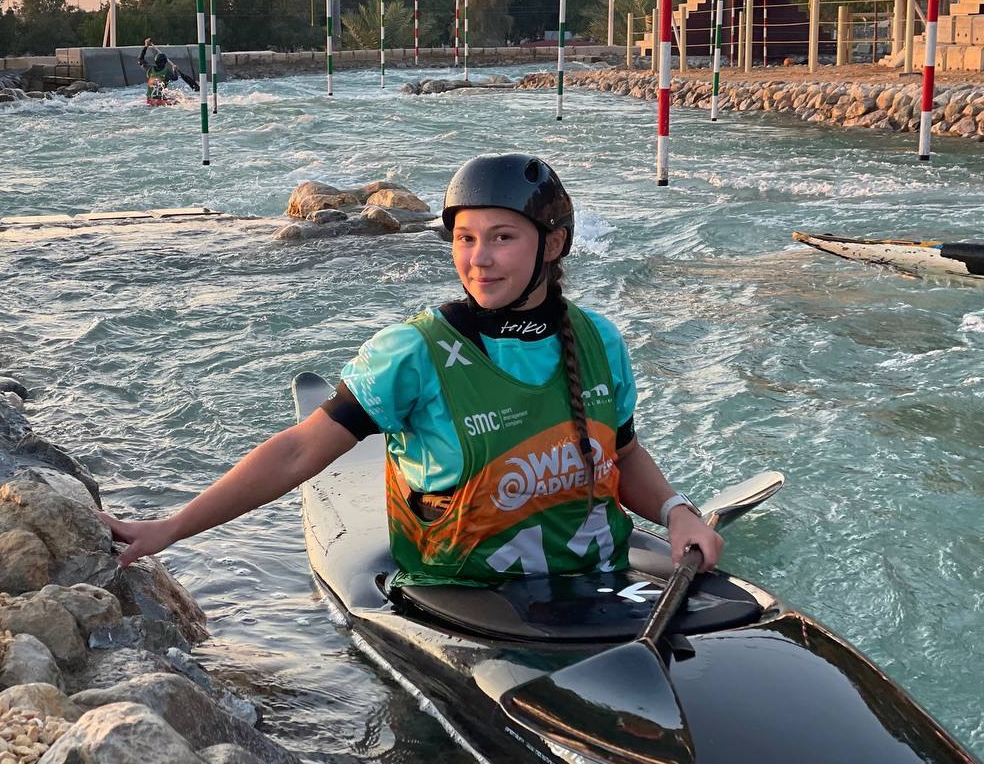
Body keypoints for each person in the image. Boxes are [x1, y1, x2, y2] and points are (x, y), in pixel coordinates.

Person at [98, 154, 723, 587]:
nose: (479, 259)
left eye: (502, 237)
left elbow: (623, 455)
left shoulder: (598, 340)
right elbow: (297, 452)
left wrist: (676, 511)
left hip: (596, 586)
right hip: (467, 599)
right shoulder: (414, 352)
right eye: (465, 238)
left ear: (552, 245)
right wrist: (171, 527)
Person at [137, 38, 199, 103]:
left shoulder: (149, 69)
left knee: (172, 96)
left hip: (149, 100)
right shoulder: (166, 72)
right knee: (181, 100)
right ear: (165, 62)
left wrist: (146, 46)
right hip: (160, 101)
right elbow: (175, 78)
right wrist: (174, 70)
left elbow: (140, 59)